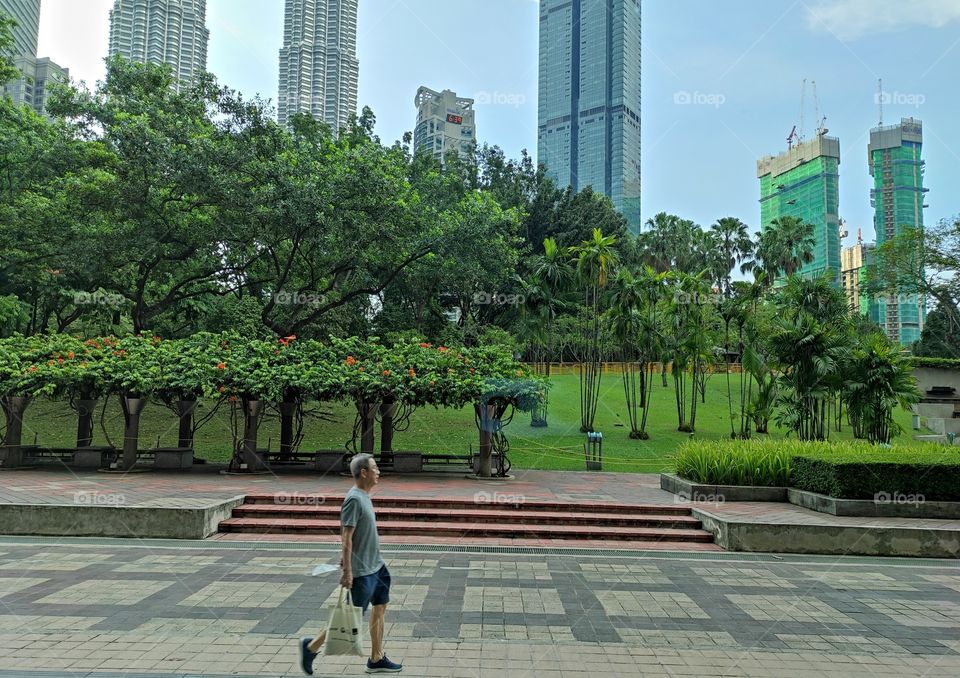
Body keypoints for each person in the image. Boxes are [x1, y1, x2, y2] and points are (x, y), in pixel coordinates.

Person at [300, 453, 402, 675]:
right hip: (362, 572)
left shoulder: (365, 495)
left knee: (381, 607)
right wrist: (347, 570)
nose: (378, 471)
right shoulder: (354, 499)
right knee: (348, 618)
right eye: (375, 468)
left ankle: (376, 658)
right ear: (364, 472)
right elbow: (346, 536)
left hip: (377, 566)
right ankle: (310, 647)